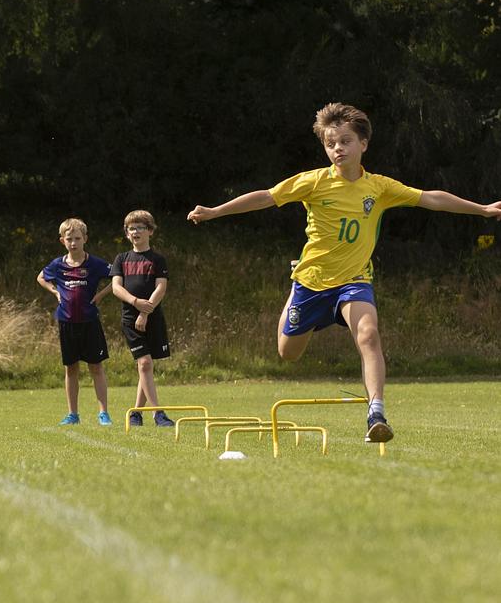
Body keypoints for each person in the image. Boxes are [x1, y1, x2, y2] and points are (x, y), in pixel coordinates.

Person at [189, 102, 501, 442]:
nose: (338, 148)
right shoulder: (313, 182)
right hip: (310, 283)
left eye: (345, 141)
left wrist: (482, 208)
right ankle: (299, 302)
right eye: (330, 143)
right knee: (287, 354)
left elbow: (431, 199)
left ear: (363, 144)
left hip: (354, 281)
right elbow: (265, 197)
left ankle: (376, 412)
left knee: (368, 333)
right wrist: (215, 211)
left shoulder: (379, 187)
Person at [37, 218, 113, 426]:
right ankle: (73, 414)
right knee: (71, 368)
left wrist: (102, 295)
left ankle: (103, 413)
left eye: (77, 239)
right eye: (69, 239)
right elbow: (41, 278)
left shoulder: (95, 264)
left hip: (90, 322)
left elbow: (118, 276)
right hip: (66, 322)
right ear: (62, 241)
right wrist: (54, 291)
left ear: (85, 239)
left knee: (96, 367)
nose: (73, 243)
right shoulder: (57, 265)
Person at [110, 210, 174, 428]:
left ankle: (135, 413)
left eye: (139, 227)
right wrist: (136, 303)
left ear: (150, 231)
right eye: (131, 228)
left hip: (153, 317)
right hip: (130, 318)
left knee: (144, 366)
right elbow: (116, 288)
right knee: (145, 363)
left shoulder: (157, 259)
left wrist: (146, 312)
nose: (135, 232)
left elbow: (161, 288)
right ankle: (158, 413)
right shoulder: (121, 259)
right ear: (127, 234)